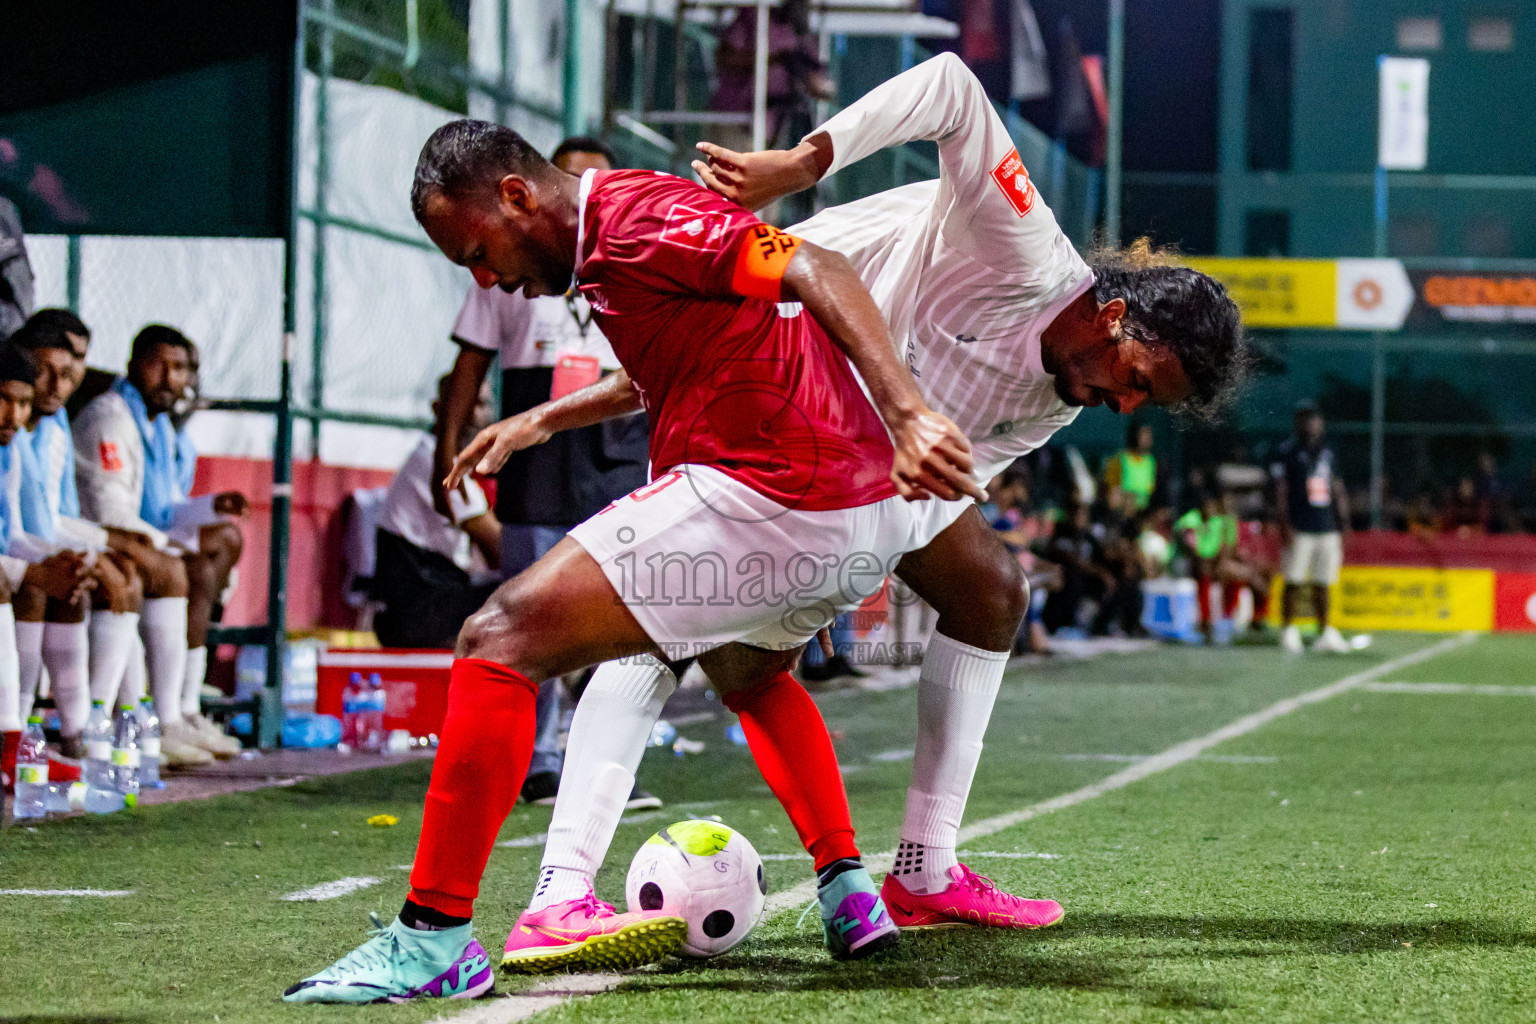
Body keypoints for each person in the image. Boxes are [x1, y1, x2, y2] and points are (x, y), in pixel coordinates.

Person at [483, 51, 1244, 962]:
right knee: (665, 625)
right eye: (1137, 381)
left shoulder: (1057, 399)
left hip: (844, 472)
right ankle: (559, 888)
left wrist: (845, 565)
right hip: (766, 396)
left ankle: (915, 871)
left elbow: (934, 491)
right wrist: (803, 163)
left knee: (987, 591)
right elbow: (956, 89)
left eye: (1144, 405)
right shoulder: (1025, 246)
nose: (1124, 407)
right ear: (1119, 318)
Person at [284, 115, 983, 1003]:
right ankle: (849, 892)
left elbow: (818, 266)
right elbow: (672, 359)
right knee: (751, 672)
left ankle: (439, 936)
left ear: (515, 196)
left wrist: (911, 411)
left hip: (777, 492)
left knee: (498, 638)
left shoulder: (637, 220)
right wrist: (542, 418)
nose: (485, 278)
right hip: (842, 513)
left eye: (477, 251)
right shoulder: (611, 259)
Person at [432, 135, 652, 807]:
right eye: (578, 180)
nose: (590, 197)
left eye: (602, 183)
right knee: (532, 604)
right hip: (537, 449)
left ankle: (608, 762)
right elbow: (469, 363)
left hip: (617, 443)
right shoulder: (506, 264)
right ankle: (541, 758)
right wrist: (449, 450)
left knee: (622, 608)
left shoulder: (633, 249)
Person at [73, 325, 246, 758]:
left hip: (123, 533)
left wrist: (210, 507)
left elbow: (165, 509)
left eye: (181, 368)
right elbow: (107, 511)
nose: (171, 378)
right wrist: (164, 545)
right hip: (91, 534)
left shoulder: (160, 426)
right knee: (174, 569)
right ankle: (145, 719)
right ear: (134, 365)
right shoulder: (111, 417)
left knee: (221, 542)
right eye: (159, 365)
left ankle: (180, 711)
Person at [0, 343, 101, 791]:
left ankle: (32, 736)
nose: (13, 416)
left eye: (22, 403)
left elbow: (15, 535)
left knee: (57, 579)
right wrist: (34, 572)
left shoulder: (11, 447)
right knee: (13, 584)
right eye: (3, 399)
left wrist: (58, 563)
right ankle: (10, 742)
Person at [374, 375, 502, 647]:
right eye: (468, 404)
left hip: (434, 598)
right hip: (420, 612)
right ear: (439, 409)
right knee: (522, 599)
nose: (477, 415)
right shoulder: (435, 462)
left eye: (483, 405)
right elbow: (499, 550)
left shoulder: (454, 463)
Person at [1272, 403, 1350, 654]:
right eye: (1306, 419)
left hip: (1326, 525)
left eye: (1315, 419)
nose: (1312, 424)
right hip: (1300, 525)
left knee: (1323, 581)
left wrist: (1344, 521)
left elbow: (1337, 487)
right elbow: (1281, 491)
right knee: (1293, 579)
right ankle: (1287, 629)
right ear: (1297, 423)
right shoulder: (1288, 451)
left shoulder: (1328, 451)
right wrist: (1284, 523)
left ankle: (1324, 630)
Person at [1103, 422, 1156, 511]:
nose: (1148, 438)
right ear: (1134, 435)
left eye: (1149, 434)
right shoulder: (1121, 459)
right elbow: (1111, 491)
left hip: (1142, 512)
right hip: (1123, 511)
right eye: (1144, 434)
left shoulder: (1151, 461)